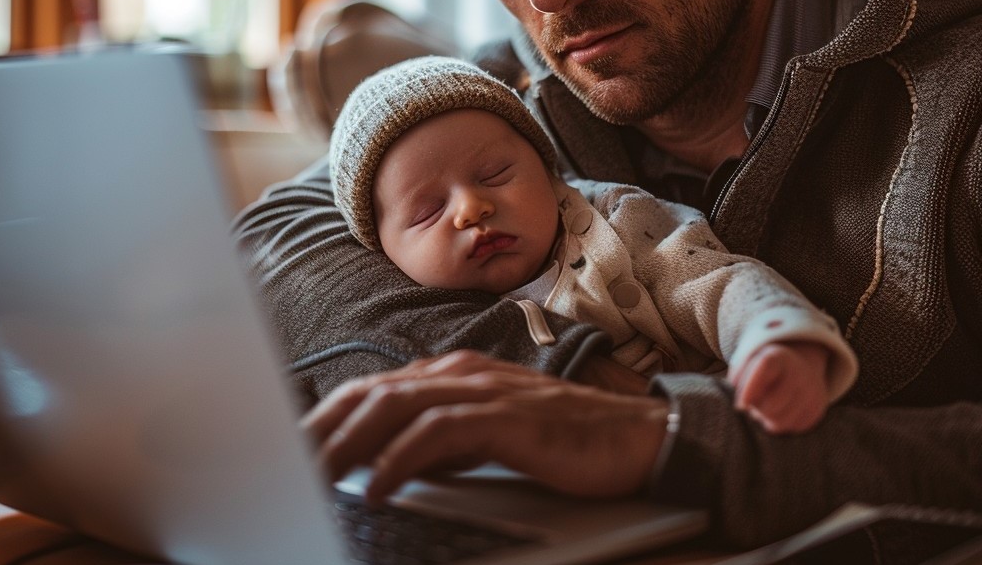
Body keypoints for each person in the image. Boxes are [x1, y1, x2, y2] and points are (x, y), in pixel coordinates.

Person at [234, 0, 982, 549]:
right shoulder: (503, 97)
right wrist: (557, 376)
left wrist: (669, 437)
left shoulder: (966, 107)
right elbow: (275, 236)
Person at [329, 56, 856, 435]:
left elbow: (714, 279)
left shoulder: (614, 222)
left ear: (547, 167)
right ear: (382, 250)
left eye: (496, 174)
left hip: (702, 441)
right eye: (427, 212)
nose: (471, 209)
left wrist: (773, 339)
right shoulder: (408, 306)